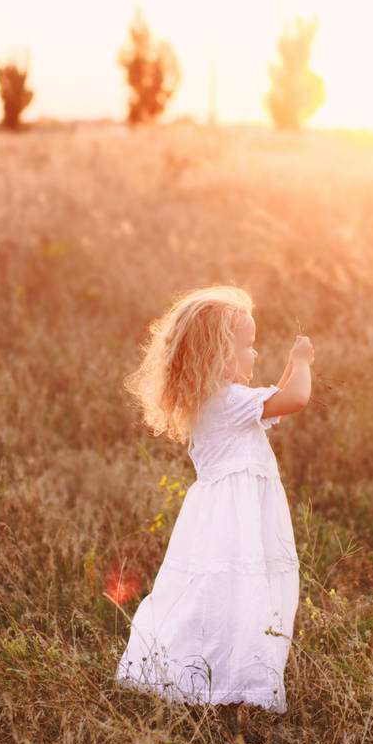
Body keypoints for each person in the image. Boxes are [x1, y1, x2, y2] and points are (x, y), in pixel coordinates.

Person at [115, 285, 314, 714]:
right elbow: (296, 398)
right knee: (241, 592)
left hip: (221, 517)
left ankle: (210, 675)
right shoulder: (230, 402)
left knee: (219, 591)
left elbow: (275, 401)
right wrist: (301, 362)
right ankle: (230, 681)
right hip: (236, 520)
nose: (254, 354)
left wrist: (285, 369)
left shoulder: (216, 402)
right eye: (248, 346)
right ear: (218, 354)